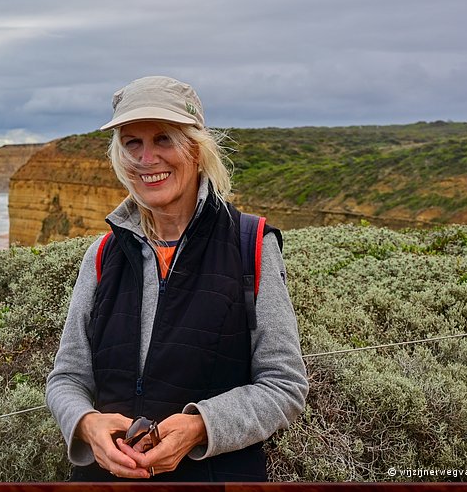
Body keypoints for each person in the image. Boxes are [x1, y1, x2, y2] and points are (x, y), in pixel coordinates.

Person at [45, 76, 308, 482]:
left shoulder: (251, 244)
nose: (146, 158)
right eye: (132, 142)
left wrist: (202, 425)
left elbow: (284, 385)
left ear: (196, 150)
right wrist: (84, 423)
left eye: (164, 139)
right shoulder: (101, 255)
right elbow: (67, 377)